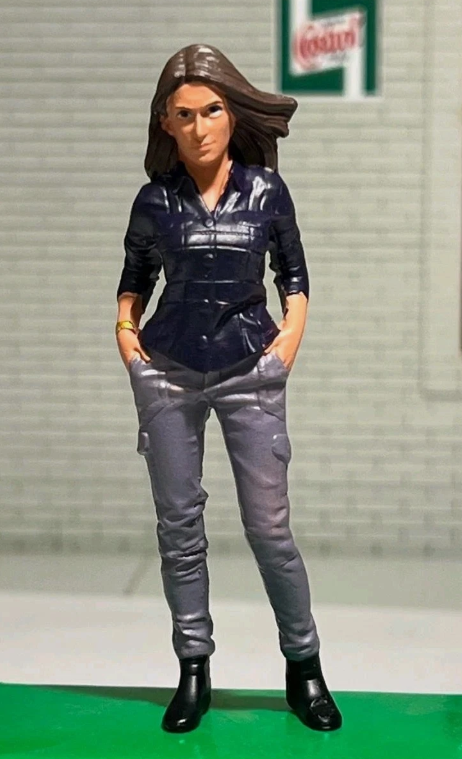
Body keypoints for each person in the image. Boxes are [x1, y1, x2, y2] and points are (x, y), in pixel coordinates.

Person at [115, 43, 342, 734]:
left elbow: (293, 273)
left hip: (251, 368)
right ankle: (193, 666)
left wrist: (289, 339)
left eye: (212, 110)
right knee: (179, 527)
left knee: (269, 527)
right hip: (168, 369)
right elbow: (135, 277)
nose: (200, 126)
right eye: (184, 114)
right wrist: (126, 335)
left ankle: (304, 664)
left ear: (232, 113)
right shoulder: (155, 201)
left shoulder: (266, 192)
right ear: (166, 122)